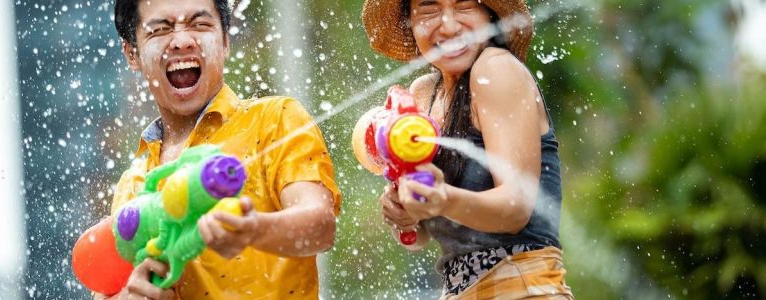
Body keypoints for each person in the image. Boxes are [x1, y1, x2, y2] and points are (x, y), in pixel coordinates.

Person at [96, 0, 341, 299]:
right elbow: (110, 289)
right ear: (132, 53)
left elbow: (320, 226)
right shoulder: (131, 186)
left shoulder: (275, 120)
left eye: (199, 24)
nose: (182, 41)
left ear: (225, 41)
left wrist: (254, 230)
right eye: (161, 29)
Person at [362, 0, 574, 298]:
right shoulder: (424, 94)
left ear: (490, 13)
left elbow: (516, 210)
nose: (448, 26)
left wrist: (442, 199)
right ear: (409, 20)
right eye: (429, 9)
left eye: (464, 6)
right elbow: (421, 237)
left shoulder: (496, 69)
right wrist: (404, 213)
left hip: (523, 287)